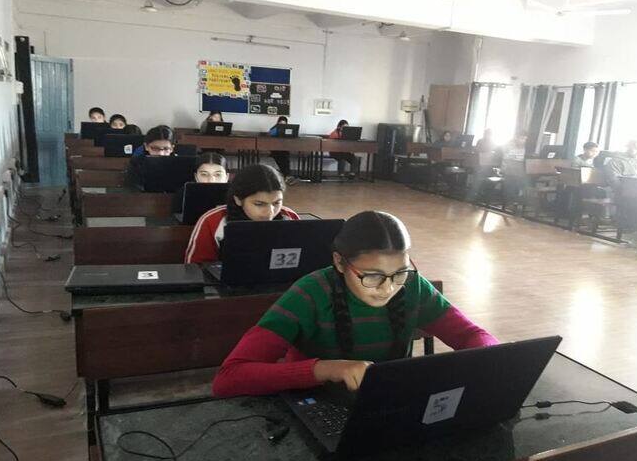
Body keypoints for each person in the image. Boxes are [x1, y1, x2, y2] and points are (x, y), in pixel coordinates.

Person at [211, 210, 499, 396]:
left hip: (387, 403)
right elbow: (229, 378)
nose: (388, 288)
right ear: (339, 262)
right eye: (372, 276)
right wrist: (328, 369)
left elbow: (472, 335)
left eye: (400, 273)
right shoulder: (309, 294)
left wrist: (490, 359)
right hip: (313, 404)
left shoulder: (413, 285)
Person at [185, 163, 299, 264]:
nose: (270, 212)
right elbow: (195, 268)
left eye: (276, 203)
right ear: (238, 200)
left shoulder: (289, 217)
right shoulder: (213, 221)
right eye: (259, 204)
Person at [268, 116, 296, 184]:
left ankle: (287, 175)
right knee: (280, 157)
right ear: (278, 123)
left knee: (285, 157)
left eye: (284, 124)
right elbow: (270, 134)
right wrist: (276, 128)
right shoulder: (274, 128)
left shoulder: (289, 129)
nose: (282, 125)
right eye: (281, 123)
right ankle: (287, 175)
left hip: (283, 149)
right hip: (275, 149)